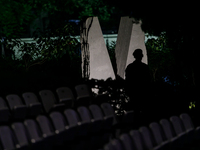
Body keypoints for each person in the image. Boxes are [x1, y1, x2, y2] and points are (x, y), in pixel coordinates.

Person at [125, 49, 151, 114]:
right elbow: (149, 80)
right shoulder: (144, 67)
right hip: (141, 92)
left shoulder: (130, 67)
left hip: (135, 92)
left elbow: (127, 80)